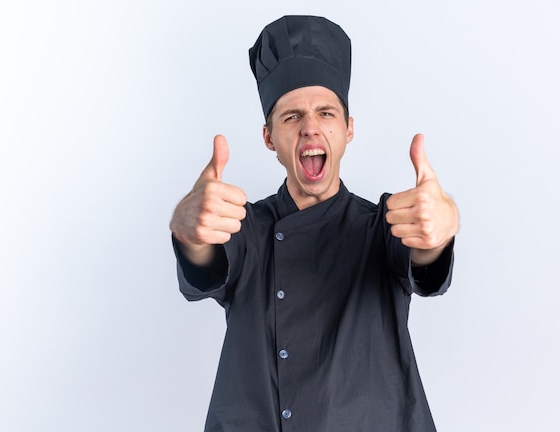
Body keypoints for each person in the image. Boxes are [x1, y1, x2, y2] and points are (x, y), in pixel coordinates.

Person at [170, 15, 459, 432]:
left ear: (348, 129)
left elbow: (423, 258)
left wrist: (439, 231)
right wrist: (187, 227)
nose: (310, 127)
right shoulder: (246, 226)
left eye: (326, 112)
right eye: (291, 117)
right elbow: (206, 258)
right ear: (269, 137)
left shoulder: (383, 225)